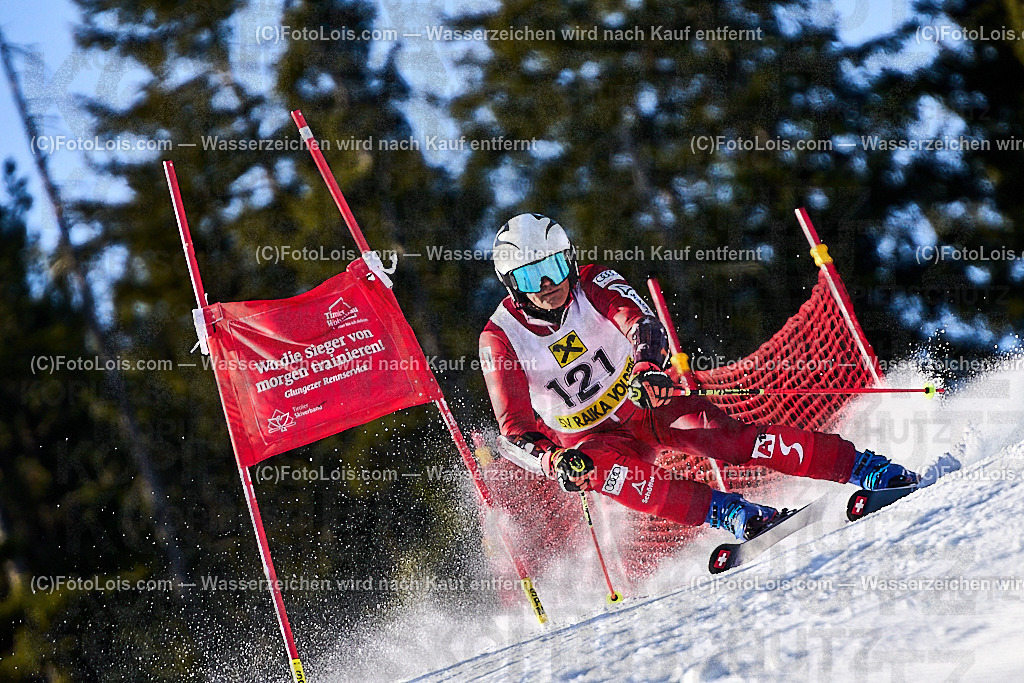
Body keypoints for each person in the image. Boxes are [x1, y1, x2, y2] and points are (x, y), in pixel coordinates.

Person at [479, 213, 919, 540]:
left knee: (730, 440)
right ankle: (731, 513)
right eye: (532, 276)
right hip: (588, 438)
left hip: (643, 399)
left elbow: (642, 323)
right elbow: (513, 430)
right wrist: (553, 460)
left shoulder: (593, 282)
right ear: (511, 283)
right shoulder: (500, 338)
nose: (549, 283)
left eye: (555, 266)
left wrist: (649, 367)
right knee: (600, 473)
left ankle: (867, 468)